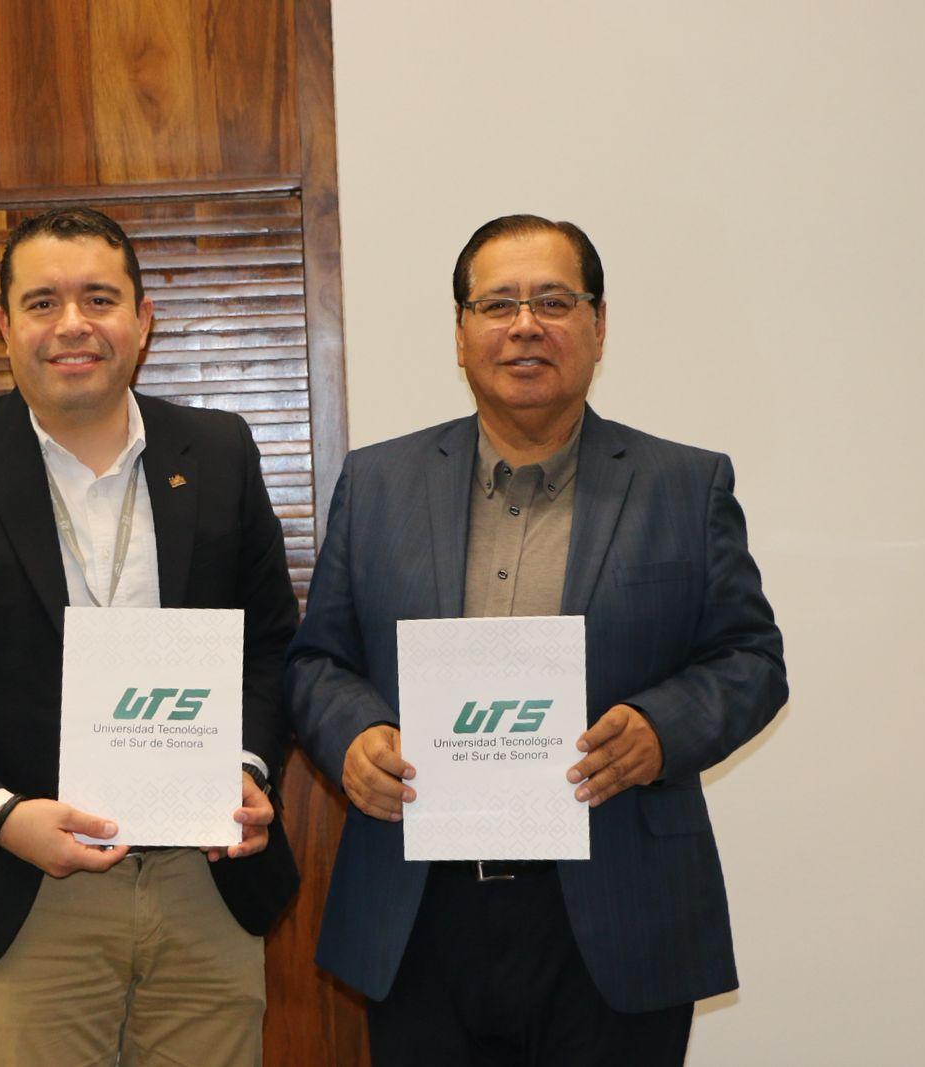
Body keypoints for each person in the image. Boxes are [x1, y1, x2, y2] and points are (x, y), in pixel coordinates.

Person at [285, 214, 787, 1066]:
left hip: (616, 910)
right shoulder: (377, 483)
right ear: (460, 333)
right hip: (420, 913)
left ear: (598, 325)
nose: (525, 325)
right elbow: (317, 662)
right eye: (498, 304)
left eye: (554, 301)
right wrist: (355, 735)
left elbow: (752, 661)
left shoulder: (684, 483)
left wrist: (662, 729)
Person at [0, 206, 299, 1067]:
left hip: (202, 880)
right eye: (43, 302)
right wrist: (1, 817)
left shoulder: (219, 450)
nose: (73, 324)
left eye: (99, 297)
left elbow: (271, 643)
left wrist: (246, 767)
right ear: (4, 325)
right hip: (24, 888)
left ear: (143, 319)